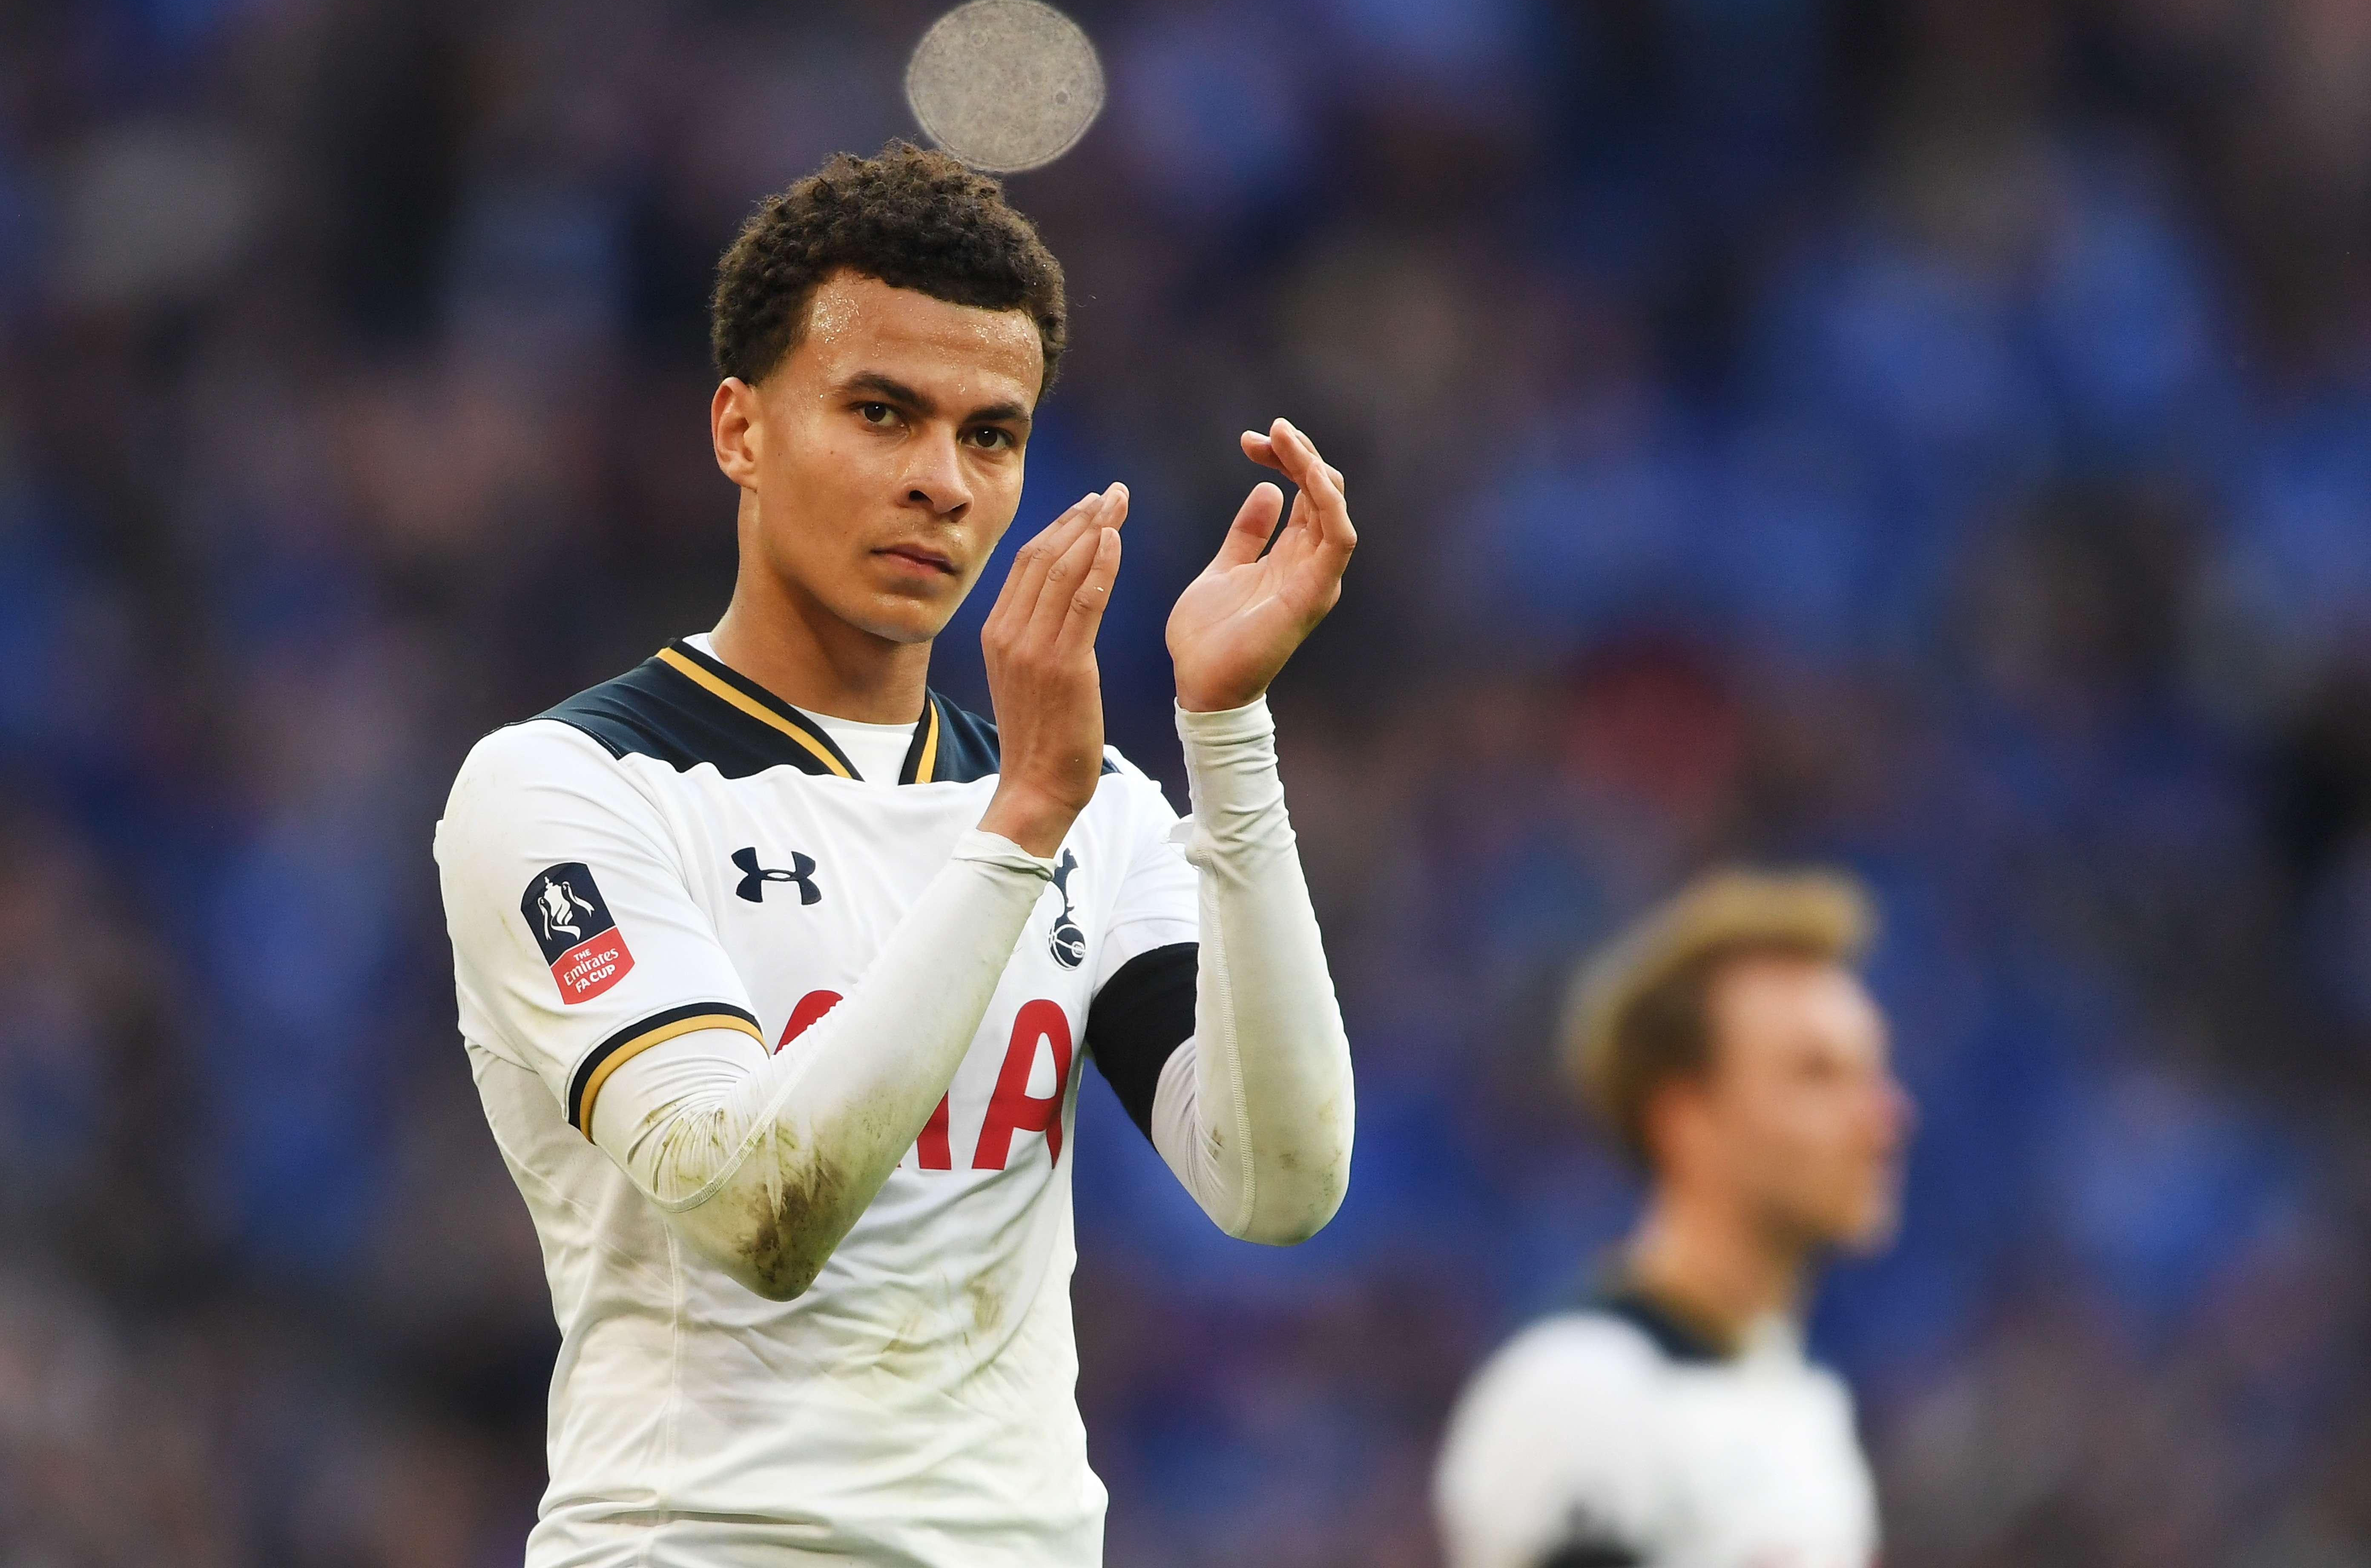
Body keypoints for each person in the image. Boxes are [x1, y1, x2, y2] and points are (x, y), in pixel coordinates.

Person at [433, 142, 1357, 1567]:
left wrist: (1224, 736)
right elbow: (757, 1208)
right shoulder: (571, 788)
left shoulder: (1088, 802)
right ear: (739, 429)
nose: (940, 481)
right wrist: (1023, 822)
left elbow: (1278, 1185)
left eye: (989, 436)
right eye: (880, 413)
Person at [1434, 869, 1912, 1568]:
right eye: (1817, 1074)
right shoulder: (1581, 1391)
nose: (1883, 1119)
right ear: (1684, 1118)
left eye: (1871, 1073)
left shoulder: (1802, 1404)